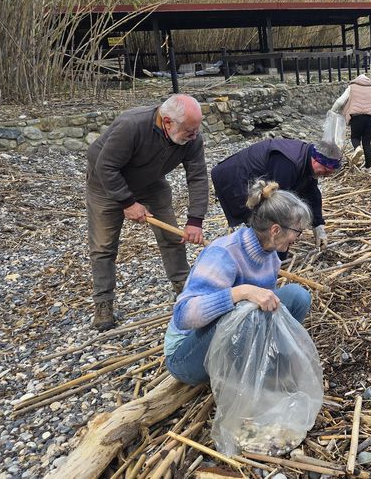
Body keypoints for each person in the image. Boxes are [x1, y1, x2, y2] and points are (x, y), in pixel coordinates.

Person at [164, 180, 314, 385]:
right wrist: (240, 292)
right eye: (297, 231)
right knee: (246, 312)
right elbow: (183, 315)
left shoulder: (269, 255)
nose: (298, 237)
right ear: (276, 230)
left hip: (230, 340)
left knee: (298, 296)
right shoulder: (223, 254)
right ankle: (249, 379)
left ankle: (264, 361)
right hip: (187, 356)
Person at [86, 94, 208, 331]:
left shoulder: (192, 138)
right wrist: (128, 203)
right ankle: (103, 303)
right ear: (168, 122)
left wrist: (195, 220)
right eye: (189, 130)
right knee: (103, 247)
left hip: (151, 181)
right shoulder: (132, 125)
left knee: (172, 237)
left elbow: (198, 176)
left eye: (196, 130)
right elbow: (106, 166)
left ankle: (184, 286)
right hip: (105, 183)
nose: (194, 136)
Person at [210, 138, 341, 251]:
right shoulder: (289, 163)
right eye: (324, 171)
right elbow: (278, 203)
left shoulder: (307, 162)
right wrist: (282, 238)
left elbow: (312, 192)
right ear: (315, 159)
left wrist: (318, 225)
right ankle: (256, 254)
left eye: (329, 173)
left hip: (257, 179)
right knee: (255, 217)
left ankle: (269, 251)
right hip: (235, 178)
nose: (325, 176)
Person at [330, 74, 371, 175]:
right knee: (367, 143)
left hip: (356, 117)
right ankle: (368, 169)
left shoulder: (352, 87)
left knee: (355, 137)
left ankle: (357, 148)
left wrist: (332, 112)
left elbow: (340, 101)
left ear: (356, 80)